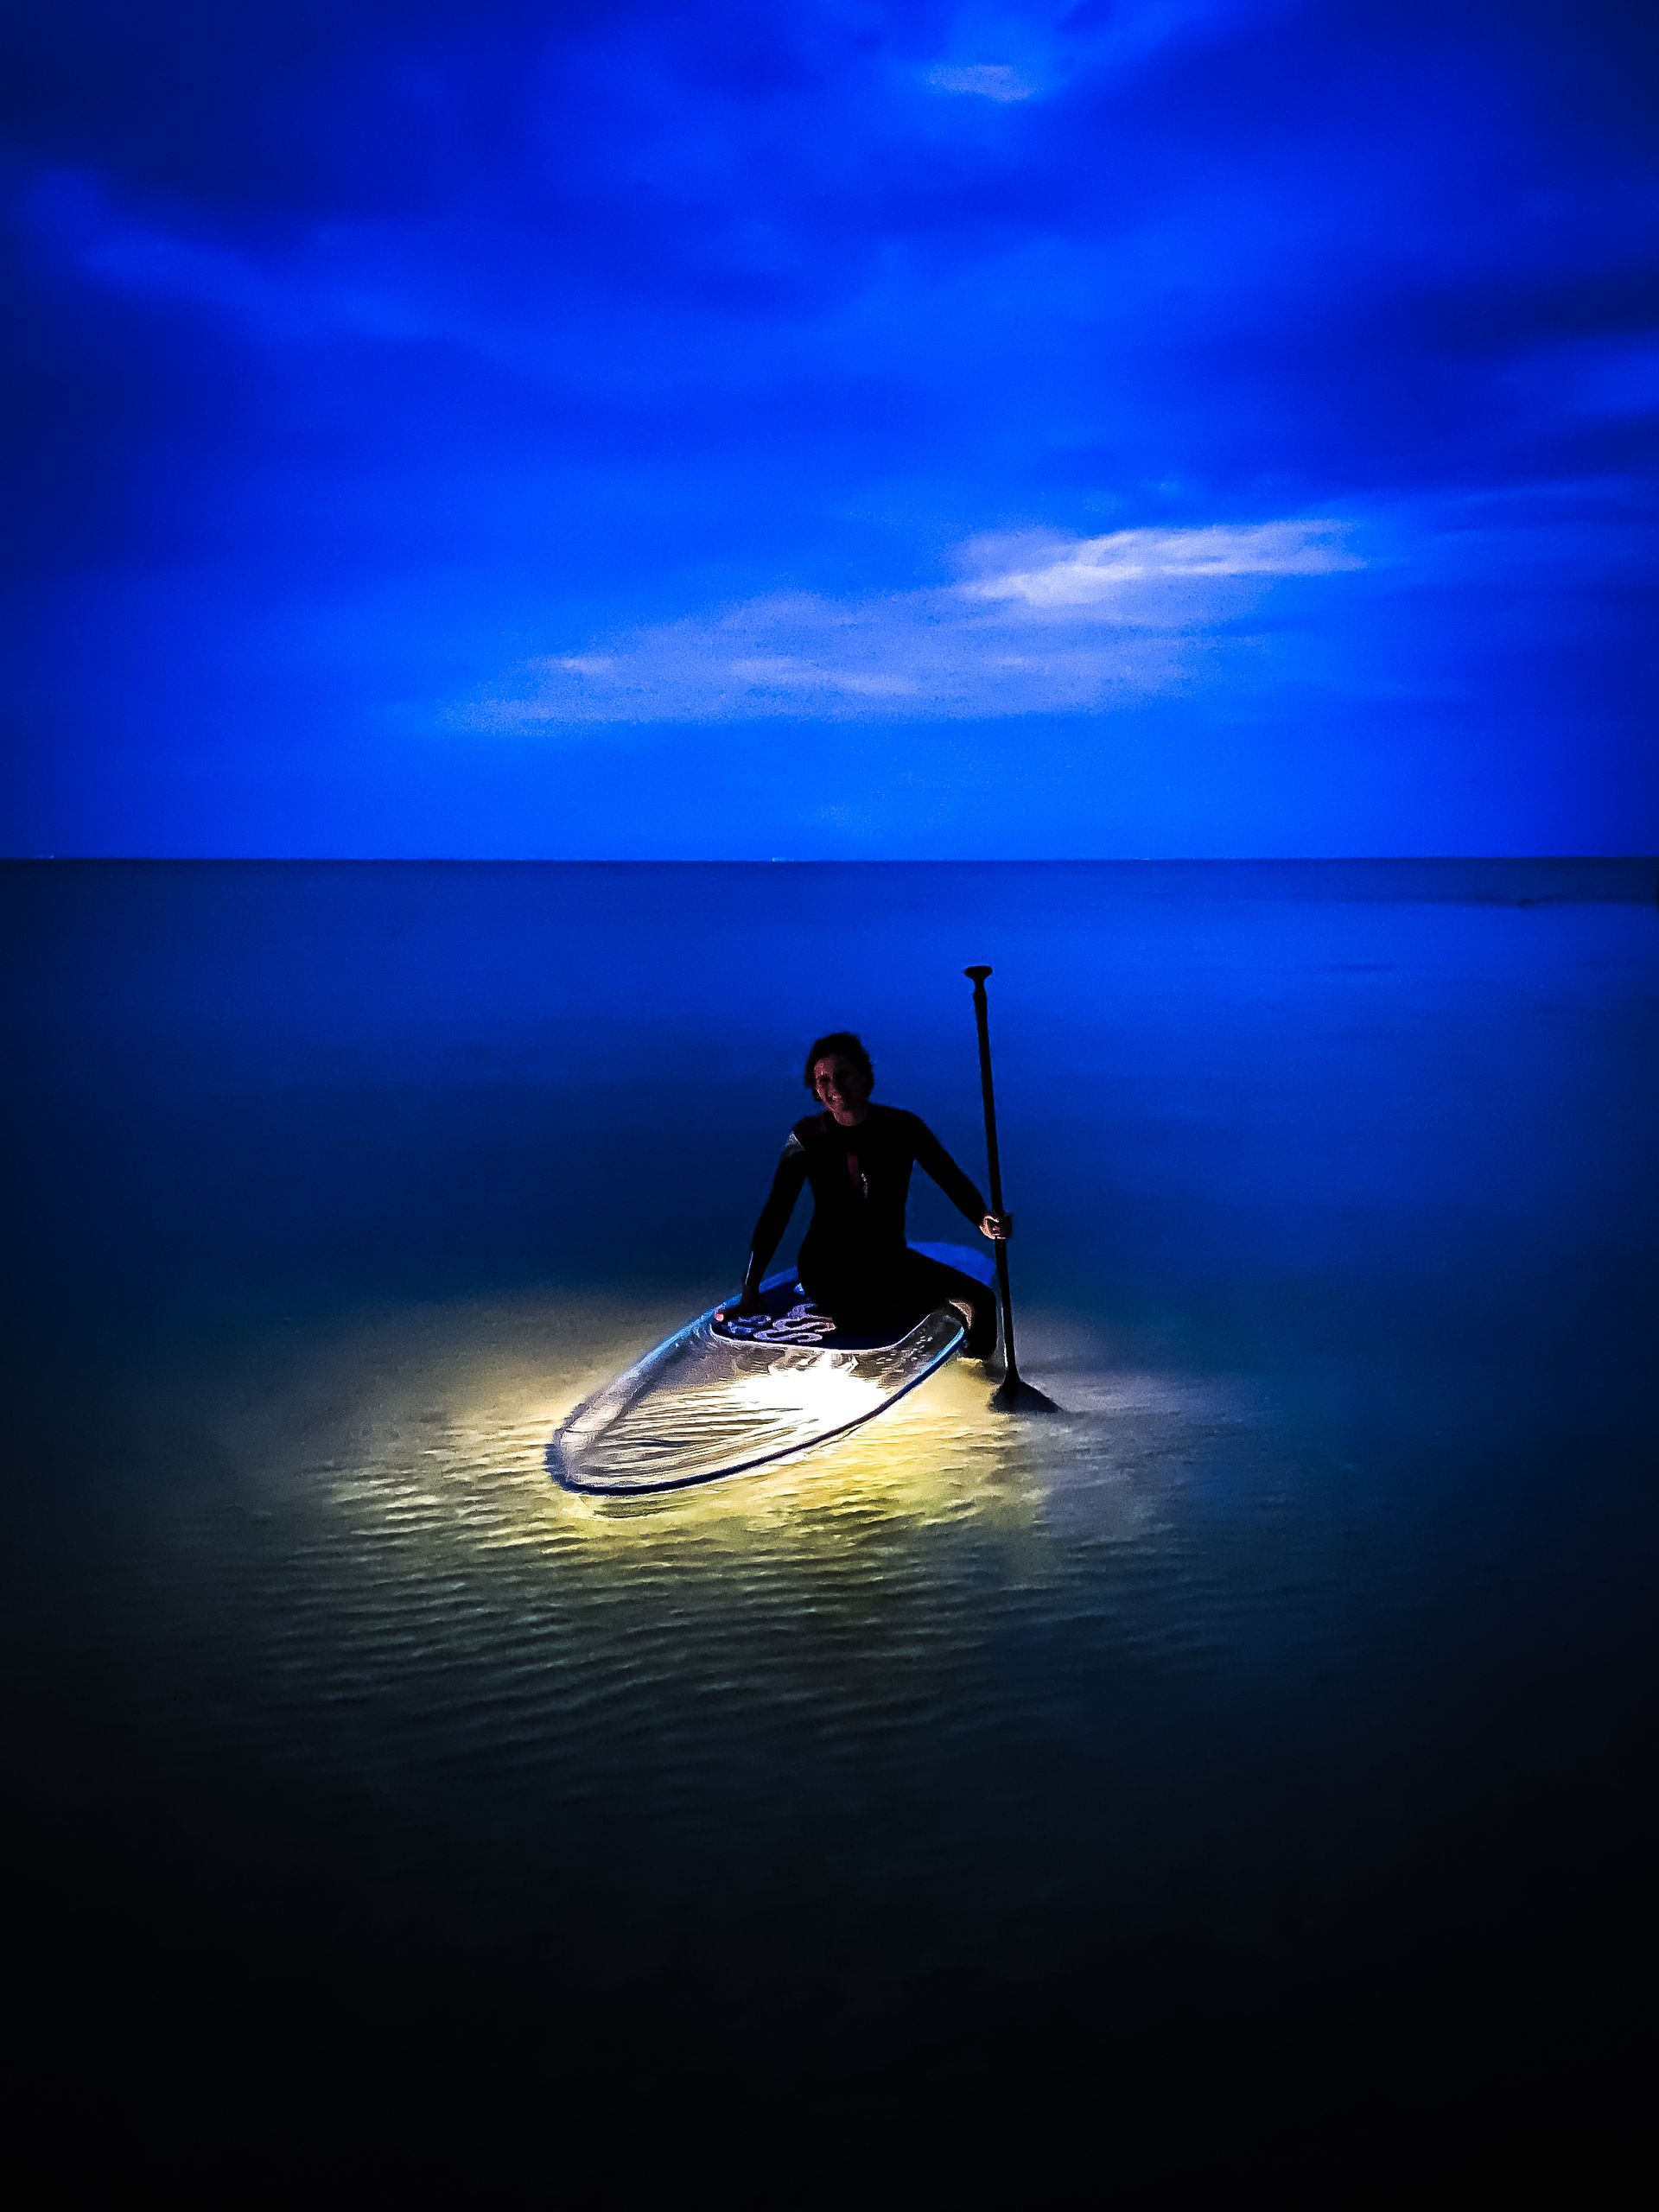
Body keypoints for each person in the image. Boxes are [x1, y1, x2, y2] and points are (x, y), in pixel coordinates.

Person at [733, 1031, 1012, 1358]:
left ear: (864, 1075)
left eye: (842, 1075)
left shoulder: (903, 1127)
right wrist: (751, 1287)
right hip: (827, 1267)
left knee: (982, 1301)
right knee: (871, 1315)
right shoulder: (808, 1136)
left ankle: (980, 1383)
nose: (833, 1087)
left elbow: (949, 1177)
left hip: (888, 1259)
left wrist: (982, 1218)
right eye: (822, 1079)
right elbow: (777, 1211)